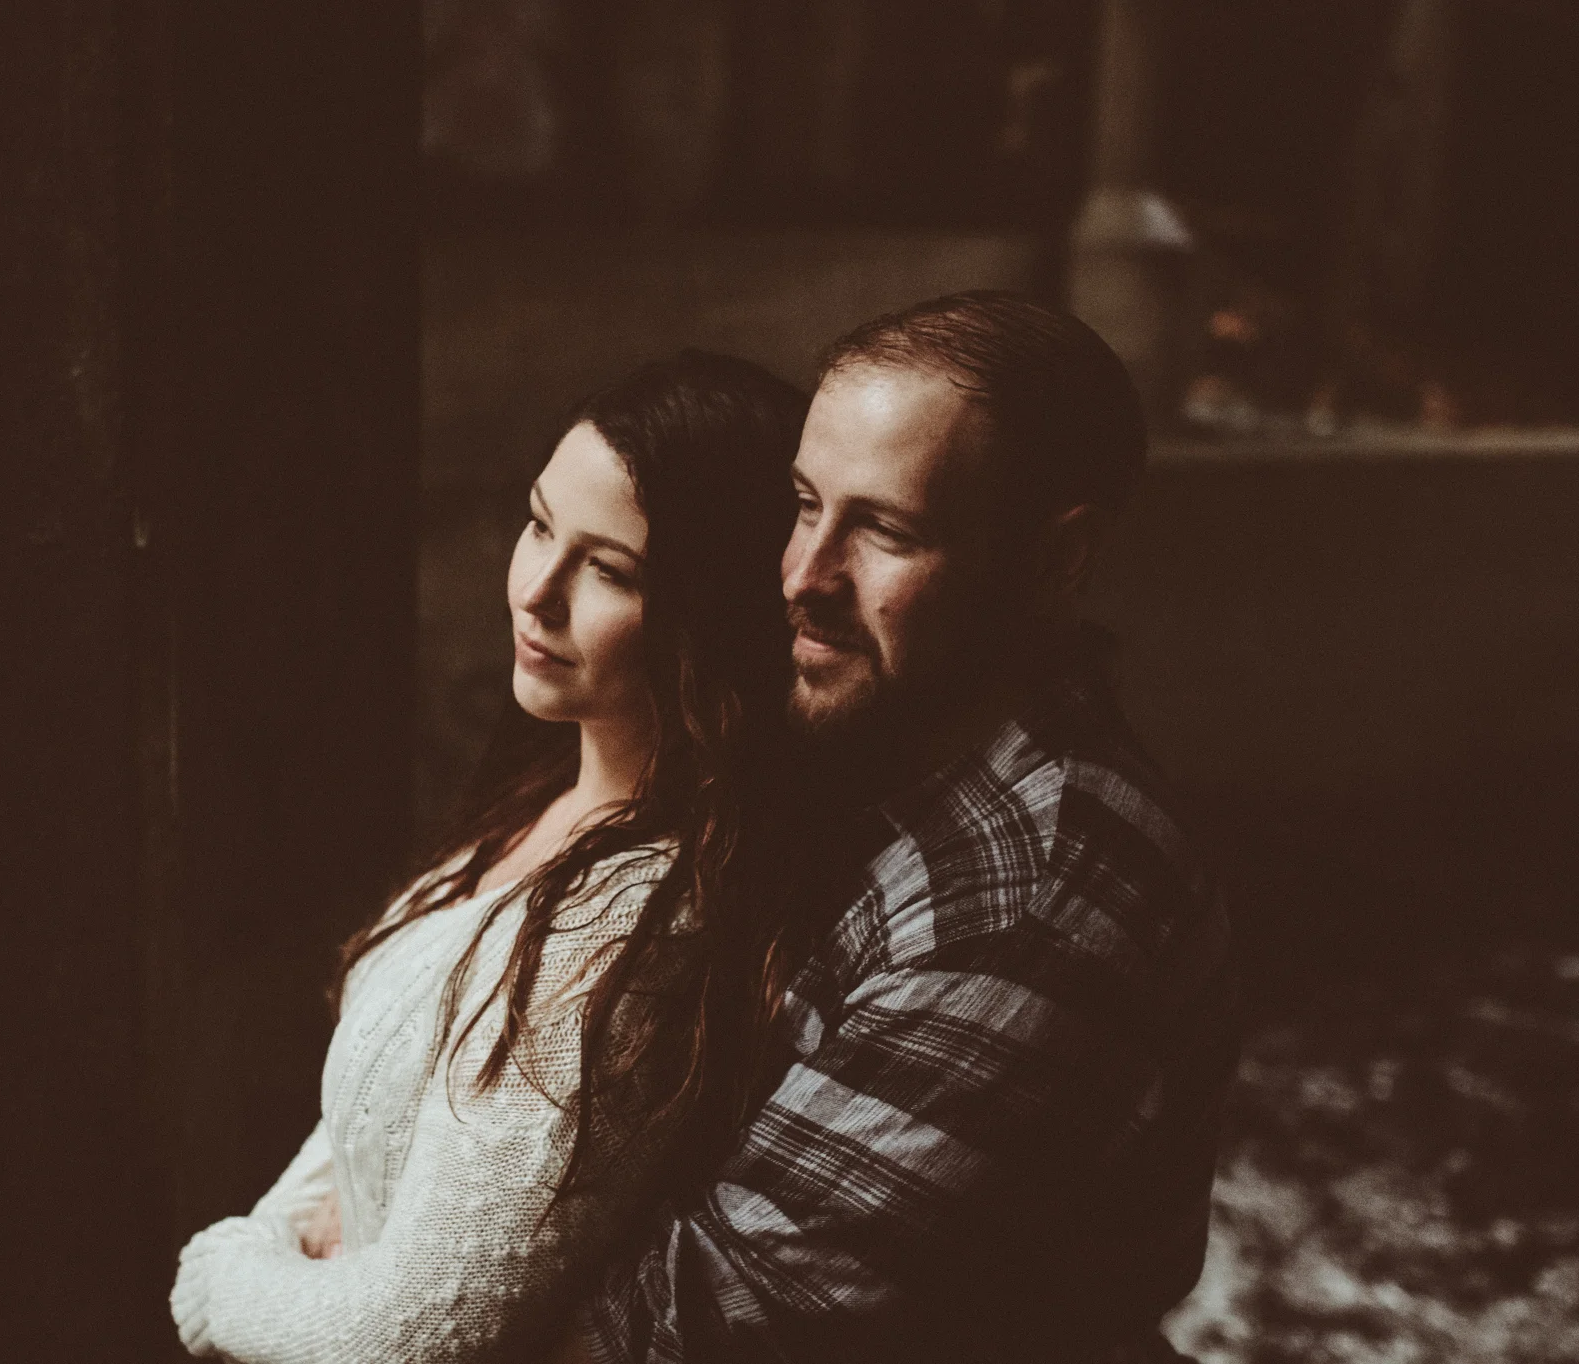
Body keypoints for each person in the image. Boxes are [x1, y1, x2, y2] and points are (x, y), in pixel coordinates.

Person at [569, 291, 1237, 1363]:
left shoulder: (1026, 894)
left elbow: (689, 1333)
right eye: (802, 504)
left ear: (1053, 563)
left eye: (884, 530)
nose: (801, 577)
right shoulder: (884, 752)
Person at [170, 350, 820, 1362]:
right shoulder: (547, 796)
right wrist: (278, 1241)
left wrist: (217, 1278)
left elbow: (405, 1337)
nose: (537, 591)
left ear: (714, 612)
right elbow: (365, 1121)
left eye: (608, 569)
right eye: (536, 524)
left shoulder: (631, 920)